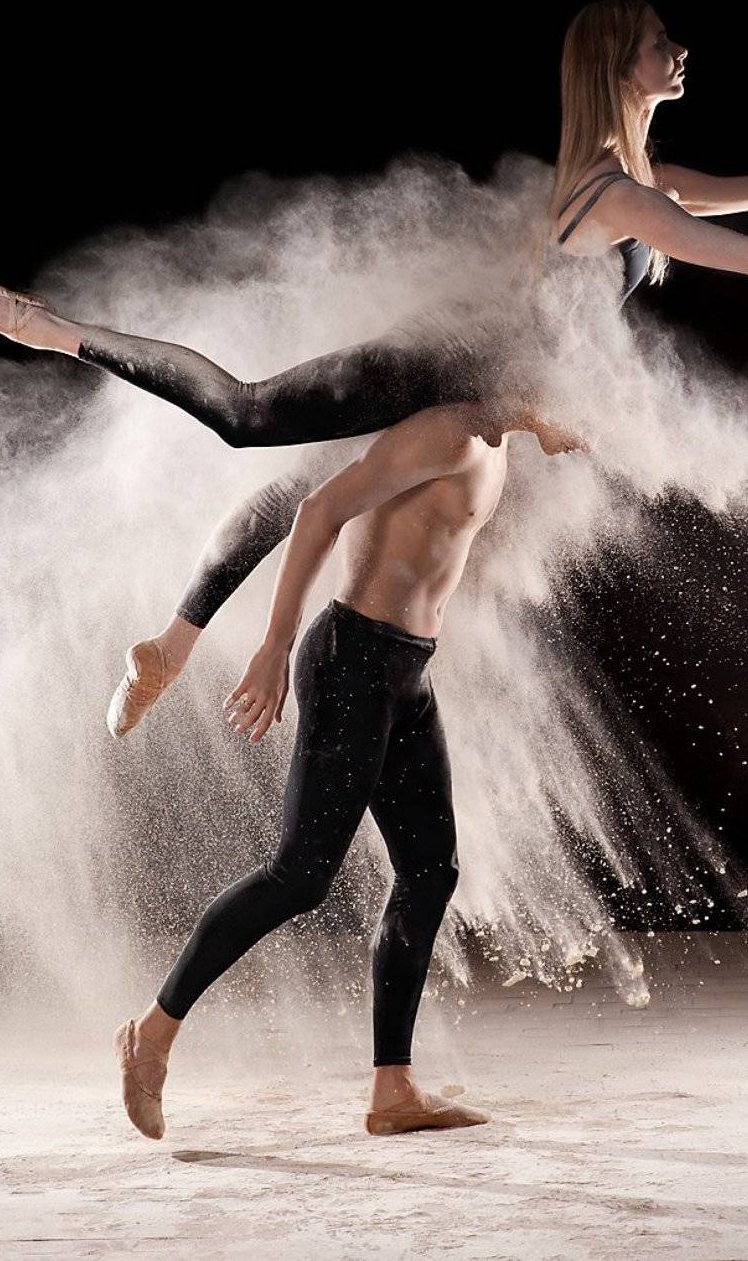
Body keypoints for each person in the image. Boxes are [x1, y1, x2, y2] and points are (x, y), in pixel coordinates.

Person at [0, 0, 748, 730]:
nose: (681, 50)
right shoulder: (614, 194)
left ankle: (169, 647)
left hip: (486, 384)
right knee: (249, 416)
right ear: (618, 65)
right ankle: (55, 331)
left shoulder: (644, 178)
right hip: (455, 365)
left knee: (308, 483)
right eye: (660, 41)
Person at [112, 395, 587, 1140]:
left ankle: (392, 1090)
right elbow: (317, 513)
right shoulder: (450, 432)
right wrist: (274, 646)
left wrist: (542, 423)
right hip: (353, 663)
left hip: (407, 672)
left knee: (430, 872)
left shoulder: (496, 444)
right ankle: (150, 1035)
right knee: (299, 876)